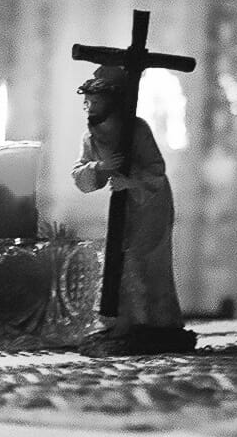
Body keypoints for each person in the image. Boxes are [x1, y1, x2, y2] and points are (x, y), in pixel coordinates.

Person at [71, 65, 190, 342]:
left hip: (150, 204)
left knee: (143, 259)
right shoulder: (91, 137)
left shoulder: (137, 129)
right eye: (87, 102)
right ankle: (124, 319)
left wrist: (131, 182)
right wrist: (100, 167)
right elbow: (80, 174)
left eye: (96, 102)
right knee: (120, 257)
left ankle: (154, 321)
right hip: (123, 205)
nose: (90, 108)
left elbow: (156, 171)